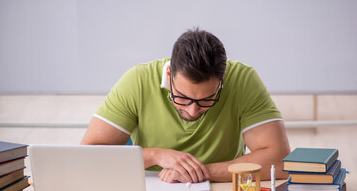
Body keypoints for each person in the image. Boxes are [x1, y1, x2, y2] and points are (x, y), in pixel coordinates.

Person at [81, 28, 290, 183]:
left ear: (222, 79)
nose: (192, 110)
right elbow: (87, 156)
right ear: (169, 73)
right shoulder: (137, 81)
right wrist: (156, 155)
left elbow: (279, 161)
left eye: (207, 99)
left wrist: (199, 172)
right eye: (182, 97)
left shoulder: (244, 80)